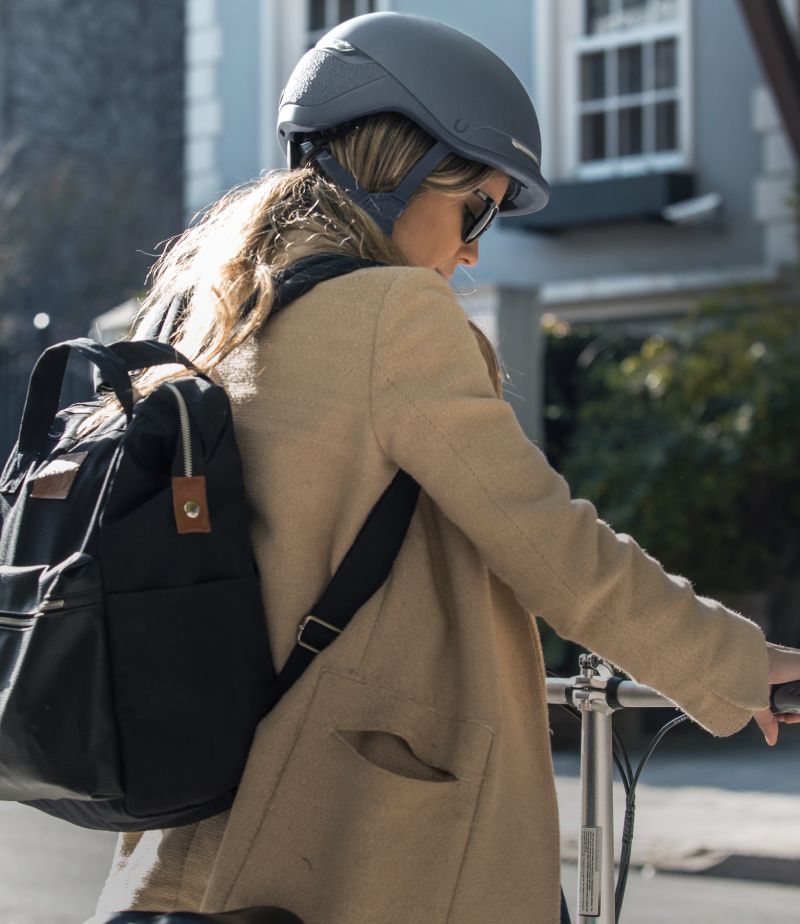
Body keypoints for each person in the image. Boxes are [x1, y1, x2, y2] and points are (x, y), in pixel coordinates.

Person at [92, 12, 800, 924]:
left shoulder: (208, 311)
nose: (473, 248)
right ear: (407, 169)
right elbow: (554, 548)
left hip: (193, 820)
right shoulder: (392, 316)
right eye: (480, 207)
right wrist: (738, 666)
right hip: (362, 836)